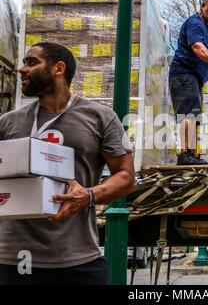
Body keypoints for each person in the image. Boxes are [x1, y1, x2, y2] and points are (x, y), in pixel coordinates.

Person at [0, 43, 136, 285]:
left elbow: (126, 176)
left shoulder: (100, 117)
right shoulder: (8, 122)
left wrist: (88, 195)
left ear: (58, 68)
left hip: (79, 260)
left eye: (31, 62)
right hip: (13, 260)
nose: (22, 69)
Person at [169, 0, 208, 165]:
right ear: (203, 6)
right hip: (183, 74)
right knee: (188, 114)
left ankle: (193, 155)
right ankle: (184, 154)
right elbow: (198, 48)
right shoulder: (194, 23)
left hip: (196, 78)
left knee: (195, 117)